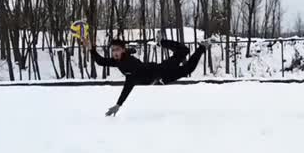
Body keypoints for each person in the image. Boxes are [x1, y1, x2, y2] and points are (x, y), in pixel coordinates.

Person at [84, 34, 212, 116]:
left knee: (185, 55)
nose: (114, 53)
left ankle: (164, 43)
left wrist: (119, 104)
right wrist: (91, 49)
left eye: (117, 50)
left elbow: (129, 83)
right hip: (162, 75)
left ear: (122, 50)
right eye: (112, 51)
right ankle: (200, 47)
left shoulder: (126, 63)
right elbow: (101, 61)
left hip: (161, 71)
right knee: (187, 63)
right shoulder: (119, 61)